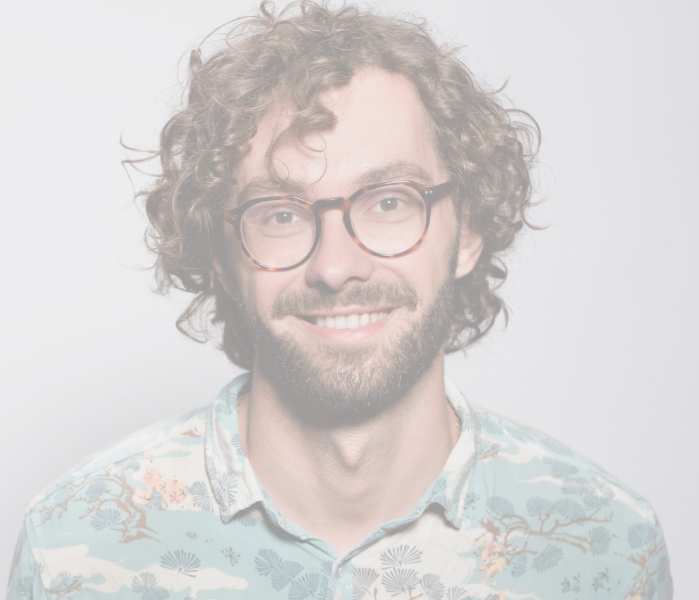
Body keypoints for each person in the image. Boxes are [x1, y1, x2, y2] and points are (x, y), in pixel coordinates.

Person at [7, 1, 672, 598]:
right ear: (221, 254)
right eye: (279, 213)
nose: (334, 266)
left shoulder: (606, 548)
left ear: (467, 231)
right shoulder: (75, 546)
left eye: (389, 202)